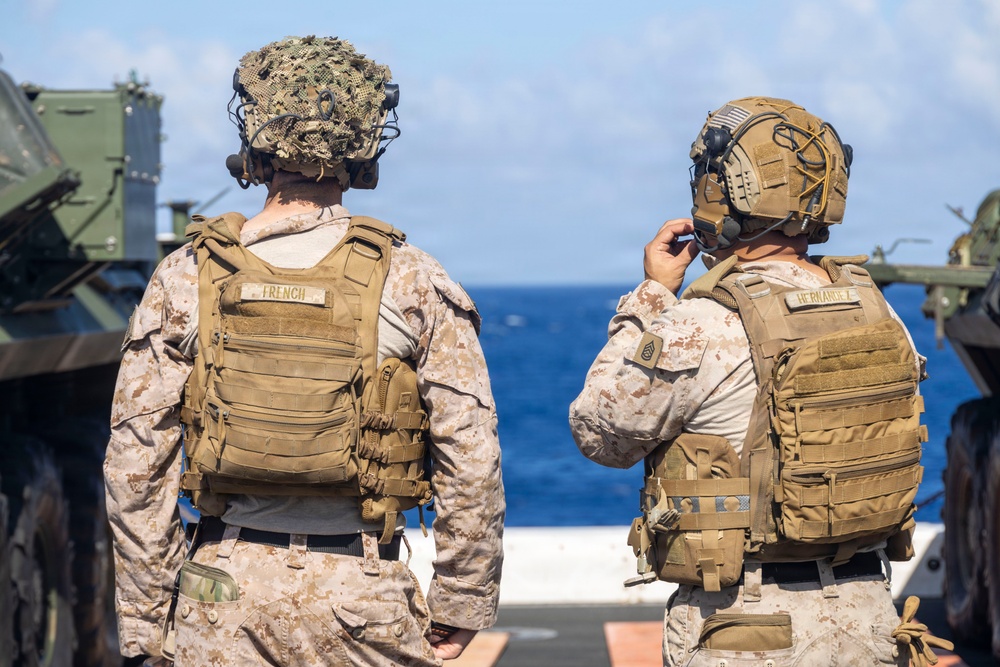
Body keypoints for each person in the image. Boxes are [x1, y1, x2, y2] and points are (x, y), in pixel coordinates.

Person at [104, 36, 504, 666]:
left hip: (220, 593)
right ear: (363, 149)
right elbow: (470, 455)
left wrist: (149, 620)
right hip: (364, 594)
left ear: (257, 146)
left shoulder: (185, 276)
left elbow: (135, 463)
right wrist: (461, 600)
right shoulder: (411, 277)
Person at [569, 97, 952, 666]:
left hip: (748, 629)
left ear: (722, 193)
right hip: (870, 620)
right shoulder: (878, 312)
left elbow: (599, 432)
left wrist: (651, 296)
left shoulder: (702, 325)